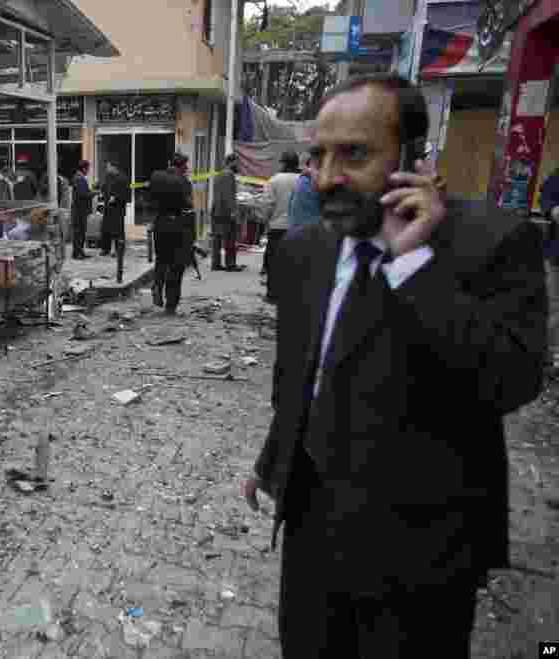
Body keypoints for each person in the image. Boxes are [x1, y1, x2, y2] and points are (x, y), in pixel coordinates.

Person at [242, 73, 546, 658]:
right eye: (318, 155)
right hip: (312, 531)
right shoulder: (305, 252)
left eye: (354, 153)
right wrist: (272, 460)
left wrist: (413, 265)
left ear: (412, 157)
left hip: (422, 556)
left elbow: (511, 379)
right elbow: (302, 376)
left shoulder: (493, 243)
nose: (328, 176)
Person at [149, 152, 195, 314]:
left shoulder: (156, 177)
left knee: (161, 260)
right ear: (182, 166)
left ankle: (157, 285)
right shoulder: (183, 182)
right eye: (186, 166)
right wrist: (192, 236)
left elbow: (151, 200)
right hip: (178, 226)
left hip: (160, 224)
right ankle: (171, 304)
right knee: (176, 266)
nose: (187, 169)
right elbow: (188, 207)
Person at [261, 151, 301, 302]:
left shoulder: (274, 181)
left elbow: (268, 205)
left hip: (277, 228)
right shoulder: (303, 180)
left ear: (283, 163)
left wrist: (266, 222)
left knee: (274, 262)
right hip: (298, 228)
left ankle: (272, 294)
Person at [210, 154, 245, 271]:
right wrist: (234, 212)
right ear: (232, 162)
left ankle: (215, 264)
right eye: (237, 163)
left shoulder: (219, 174)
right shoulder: (229, 174)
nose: (238, 165)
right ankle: (230, 264)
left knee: (217, 238)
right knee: (229, 238)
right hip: (225, 212)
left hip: (216, 210)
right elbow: (228, 195)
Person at [100, 161, 131, 258]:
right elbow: (104, 188)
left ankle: (119, 250)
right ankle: (105, 249)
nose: (107, 169)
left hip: (118, 209)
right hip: (108, 208)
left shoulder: (123, 178)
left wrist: (116, 197)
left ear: (114, 167)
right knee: (106, 229)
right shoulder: (108, 177)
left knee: (118, 230)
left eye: (108, 167)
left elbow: (126, 194)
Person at [287, 152, 321, 229]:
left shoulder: (300, 181)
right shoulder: (308, 181)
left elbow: (290, 206)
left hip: (297, 228)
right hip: (311, 229)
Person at [70, 160, 93, 259]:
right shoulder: (80, 179)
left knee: (79, 232)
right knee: (79, 232)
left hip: (78, 209)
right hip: (79, 210)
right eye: (87, 169)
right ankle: (77, 253)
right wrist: (94, 193)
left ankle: (79, 252)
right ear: (84, 168)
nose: (88, 171)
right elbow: (83, 194)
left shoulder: (78, 177)